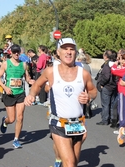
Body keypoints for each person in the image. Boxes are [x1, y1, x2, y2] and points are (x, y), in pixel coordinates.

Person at [24, 37, 97, 167]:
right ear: (58, 52)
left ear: (75, 52)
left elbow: (93, 91)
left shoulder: (83, 73)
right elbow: (37, 85)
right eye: (65, 49)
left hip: (77, 124)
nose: (68, 52)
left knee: (73, 162)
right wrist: (31, 95)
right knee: (69, 163)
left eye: (72, 49)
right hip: (59, 123)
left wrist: (88, 97)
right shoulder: (51, 71)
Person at [0, 44, 35, 148]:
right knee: (11, 119)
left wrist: (31, 81)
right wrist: (5, 88)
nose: (16, 54)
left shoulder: (24, 64)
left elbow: (27, 78)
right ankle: (5, 121)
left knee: (20, 117)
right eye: (14, 52)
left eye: (18, 52)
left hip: (20, 94)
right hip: (9, 94)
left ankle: (16, 139)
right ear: (11, 53)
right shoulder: (6, 64)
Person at [96, 50, 117, 125]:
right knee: (111, 104)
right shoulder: (115, 63)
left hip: (107, 86)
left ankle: (105, 120)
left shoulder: (107, 65)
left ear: (106, 56)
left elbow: (106, 76)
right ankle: (111, 118)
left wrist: (101, 83)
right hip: (113, 86)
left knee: (105, 104)